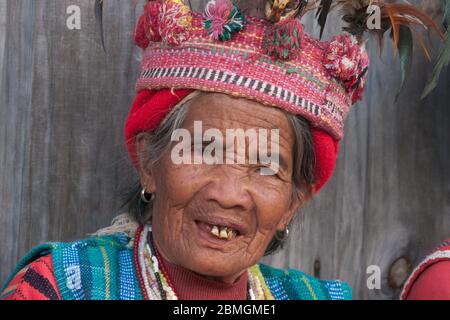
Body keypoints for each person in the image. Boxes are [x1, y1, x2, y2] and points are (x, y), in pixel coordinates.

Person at [0, 0, 444, 300]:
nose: (229, 192)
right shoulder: (63, 287)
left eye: (267, 167)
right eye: (204, 150)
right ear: (150, 165)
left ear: (294, 202)